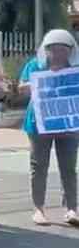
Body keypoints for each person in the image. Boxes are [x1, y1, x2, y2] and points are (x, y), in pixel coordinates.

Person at [18, 29, 79, 227]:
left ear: (71, 51)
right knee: (39, 166)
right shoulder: (35, 66)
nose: (59, 54)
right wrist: (30, 86)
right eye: (54, 50)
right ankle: (38, 208)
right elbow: (20, 88)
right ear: (46, 50)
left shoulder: (75, 68)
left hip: (68, 125)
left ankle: (71, 208)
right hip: (39, 124)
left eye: (63, 50)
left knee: (68, 167)